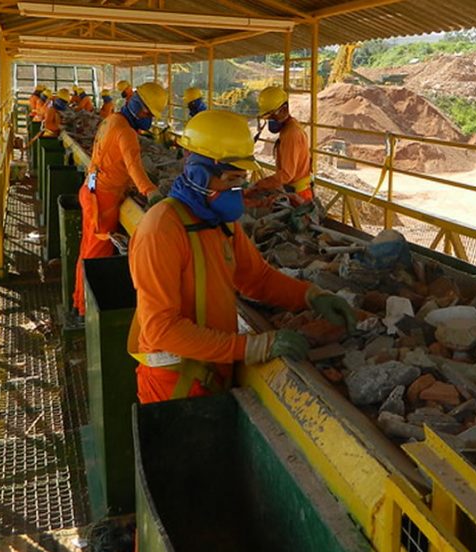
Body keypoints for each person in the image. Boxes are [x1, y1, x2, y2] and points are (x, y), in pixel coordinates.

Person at [128, 109, 356, 403]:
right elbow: (161, 330)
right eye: (232, 179)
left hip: (212, 374)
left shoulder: (219, 222)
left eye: (242, 178)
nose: (239, 189)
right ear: (198, 174)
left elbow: (256, 278)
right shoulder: (161, 230)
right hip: (173, 385)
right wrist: (251, 347)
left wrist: (311, 296)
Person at [73, 82, 169, 316]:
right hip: (102, 201)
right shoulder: (126, 132)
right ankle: (86, 311)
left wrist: (121, 186)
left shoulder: (112, 120)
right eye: (146, 113)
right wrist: (151, 193)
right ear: (136, 106)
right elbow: (134, 166)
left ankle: (79, 302)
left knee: (86, 248)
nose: (148, 119)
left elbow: (104, 160)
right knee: (97, 254)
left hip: (91, 189)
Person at [247, 86, 314, 204]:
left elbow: (287, 174)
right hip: (294, 190)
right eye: (267, 117)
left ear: (284, 109)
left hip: (298, 195)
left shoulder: (291, 134)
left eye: (272, 116)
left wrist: (260, 185)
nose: (270, 120)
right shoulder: (288, 128)